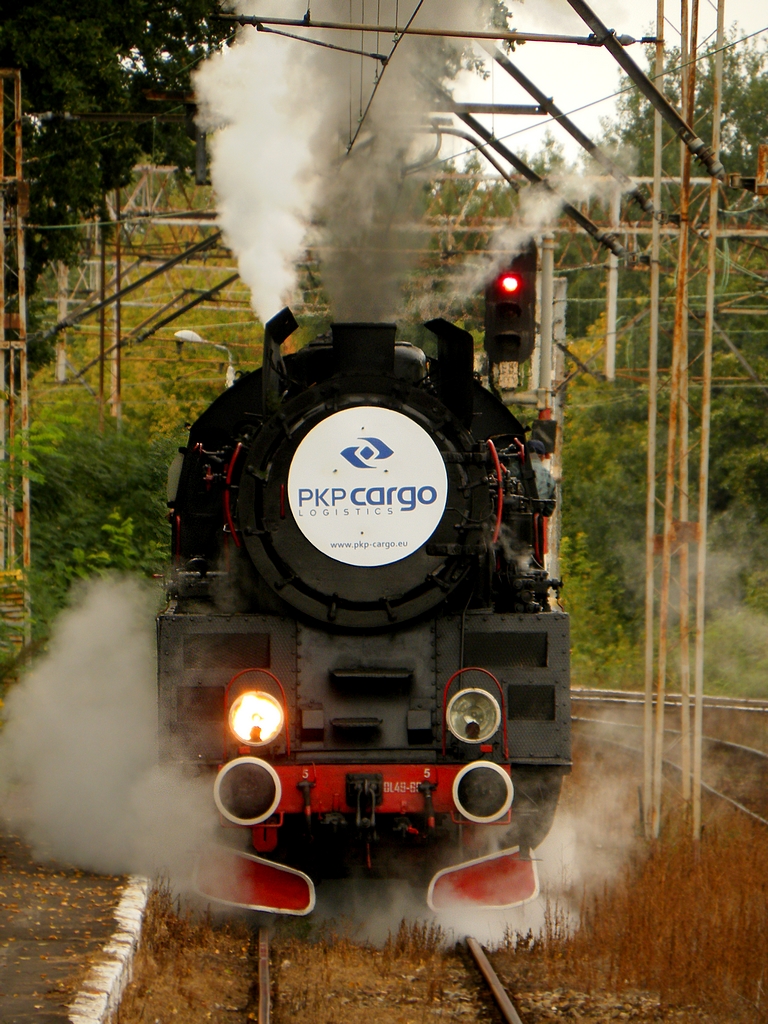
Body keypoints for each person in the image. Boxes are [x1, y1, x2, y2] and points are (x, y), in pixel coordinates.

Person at [528, 439, 556, 516]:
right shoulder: (549, 477)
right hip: (533, 519)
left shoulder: (513, 468)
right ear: (543, 457)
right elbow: (549, 510)